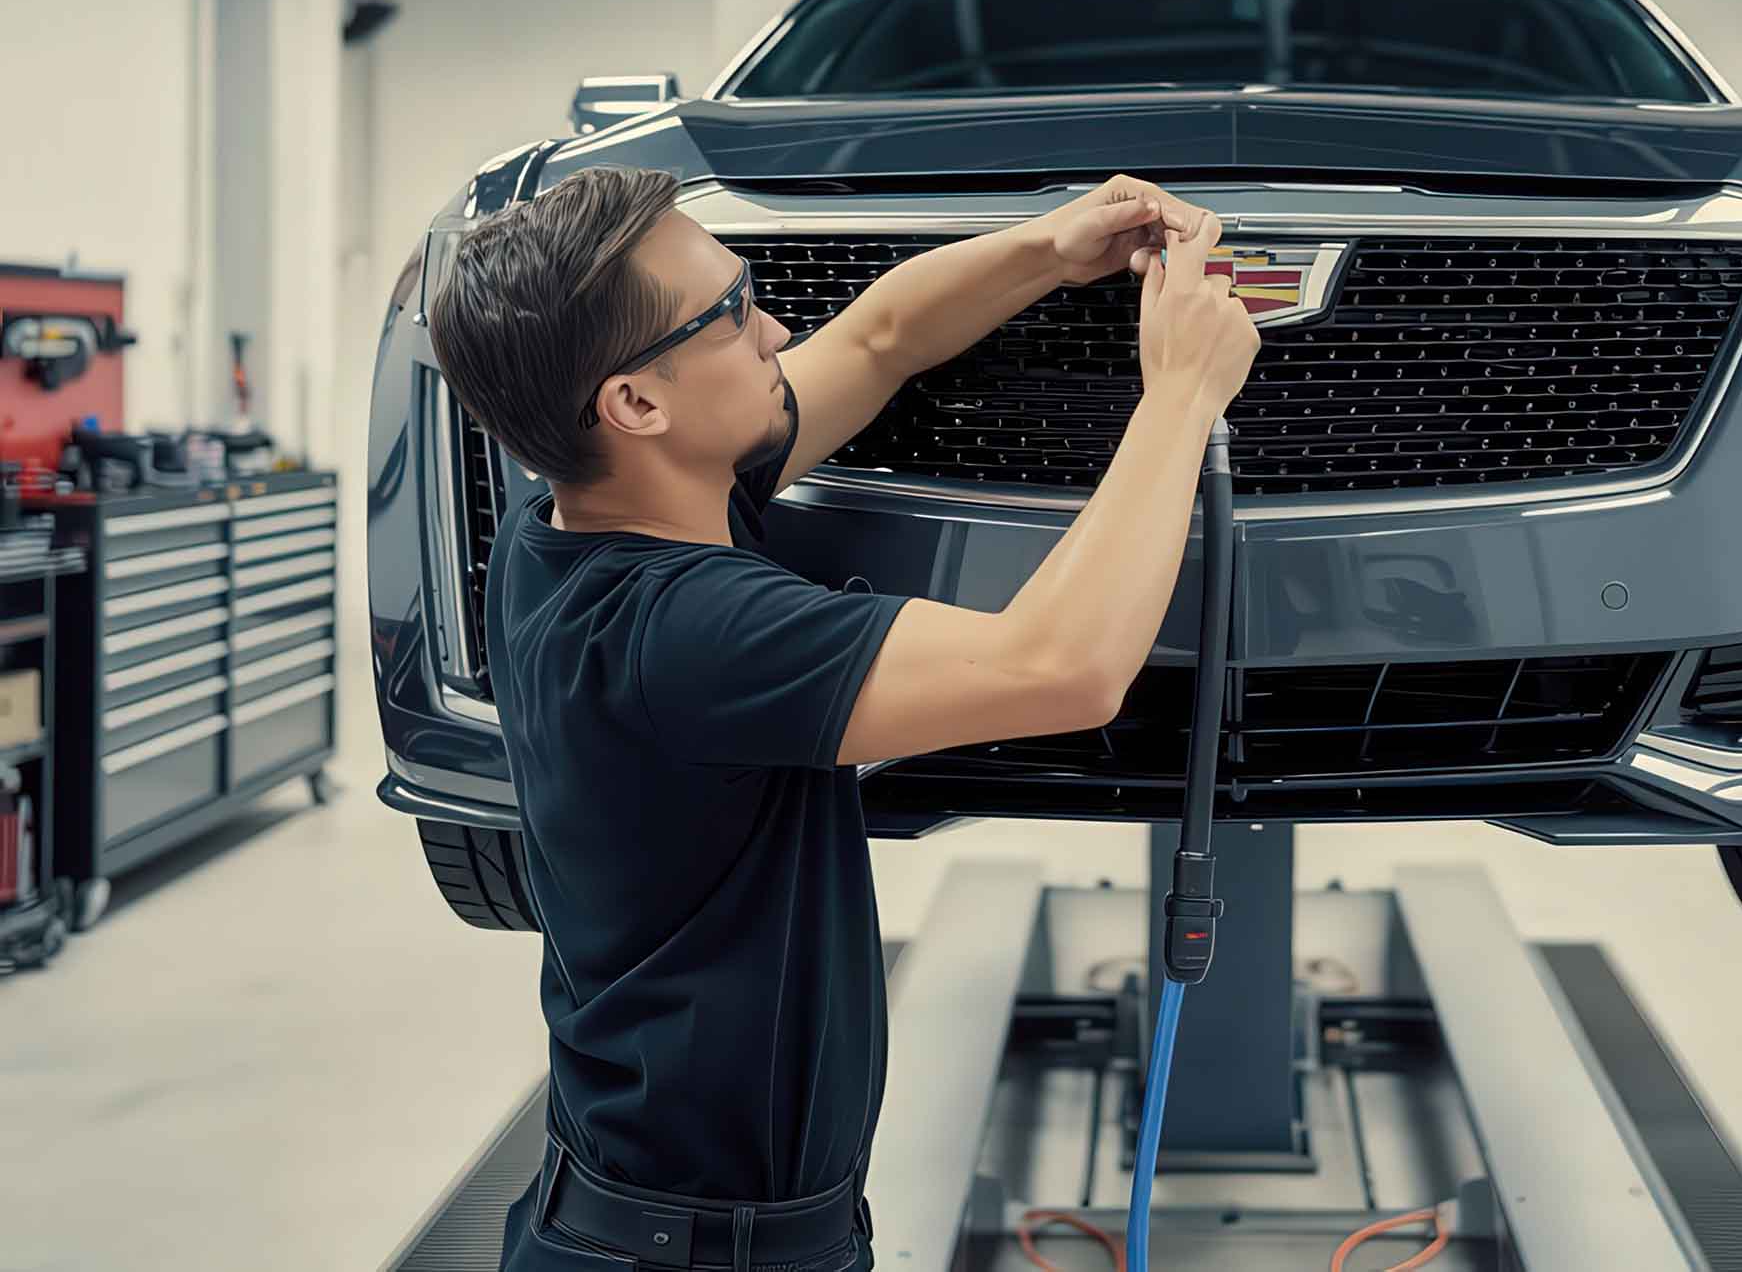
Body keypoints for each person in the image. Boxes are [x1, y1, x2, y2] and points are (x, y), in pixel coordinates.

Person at [425, 164, 1259, 1272]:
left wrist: (1055, 245)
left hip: (647, 1221)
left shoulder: (568, 523)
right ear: (635, 403)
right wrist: (1183, 395)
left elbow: (879, 339)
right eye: (729, 314)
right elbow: (1063, 667)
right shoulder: (686, 634)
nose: (772, 327)